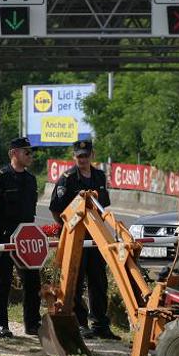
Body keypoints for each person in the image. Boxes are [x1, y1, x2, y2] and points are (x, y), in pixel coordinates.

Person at [49, 140, 119, 340]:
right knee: (76, 281)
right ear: (74, 157)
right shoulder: (68, 178)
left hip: (95, 237)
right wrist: (66, 229)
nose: (82, 159)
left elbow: (103, 206)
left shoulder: (99, 176)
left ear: (92, 156)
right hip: (75, 238)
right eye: (79, 156)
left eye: (85, 155)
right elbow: (56, 209)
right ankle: (80, 323)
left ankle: (100, 324)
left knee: (99, 281)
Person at [0, 136, 41, 338]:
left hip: (25, 236)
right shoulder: (0, 178)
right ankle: (0, 324)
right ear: (13, 154)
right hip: (4, 234)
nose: (30, 156)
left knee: (32, 282)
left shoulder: (31, 179)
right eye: (26, 152)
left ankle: (32, 323)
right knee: (2, 281)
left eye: (31, 152)